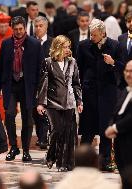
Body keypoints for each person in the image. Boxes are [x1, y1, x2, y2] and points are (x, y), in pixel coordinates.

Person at [77, 18, 123, 172]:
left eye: (94, 35)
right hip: (89, 93)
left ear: (103, 33)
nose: (91, 38)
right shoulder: (83, 46)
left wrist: (113, 63)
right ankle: (82, 161)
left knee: (105, 129)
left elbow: (124, 68)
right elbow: (79, 70)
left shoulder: (115, 46)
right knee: (87, 129)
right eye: (91, 34)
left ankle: (105, 162)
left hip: (107, 94)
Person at [0, 16, 43, 162]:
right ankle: (14, 147)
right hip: (10, 84)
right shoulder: (6, 44)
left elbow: (41, 68)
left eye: (21, 29)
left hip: (28, 86)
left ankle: (26, 151)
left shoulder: (35, 44)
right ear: (12, 29)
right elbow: (1, 66)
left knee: (28, 119)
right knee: (9, 116)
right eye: (15, 29)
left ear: (24, 28)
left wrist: (40, 89)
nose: (18, 31)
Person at [37, 35, 83, 171]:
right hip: (53, 102)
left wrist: (79, 101)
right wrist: (41, 103)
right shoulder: (48, 62)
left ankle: (65, 163)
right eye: (65, 47)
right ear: (58, 47)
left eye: (69, 47)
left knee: (69, 132)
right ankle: (51, 154)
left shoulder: (72, 62)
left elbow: (76, 83)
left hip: (68, 102)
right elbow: (43, 84)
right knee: (57, 129)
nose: (68, 49)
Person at [33, 16, 53, 149]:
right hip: (33, 80)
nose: (38, 28)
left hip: (49, 80)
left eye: (41, 26)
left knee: (46, 109)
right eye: (36, 26)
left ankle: (44, 137)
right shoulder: (30, 41)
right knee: (35, 111)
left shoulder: (53, 42)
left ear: (46, 27)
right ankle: (41, 136)